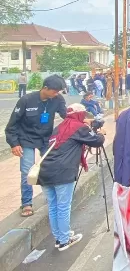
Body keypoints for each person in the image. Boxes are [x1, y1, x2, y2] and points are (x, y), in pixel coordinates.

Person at [38, 103, 105, 251]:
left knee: (53, 206)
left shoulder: (59, 127)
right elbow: (97, 141)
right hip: (62, 172)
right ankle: (64, 240)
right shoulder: (78, 127)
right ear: (80, 115)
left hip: (45, 171)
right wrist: (100, 133)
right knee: (63, 207)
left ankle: (60, 237)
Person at [5, 75, 67, 217]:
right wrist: (14, 144)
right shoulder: (26, 100)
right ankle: (26, 203)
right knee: (28, 171)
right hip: (26, 139)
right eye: (55, 91)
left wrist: (83, 120)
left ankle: (51, 197)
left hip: (46, 138)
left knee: (50, 166)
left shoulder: (57, 100)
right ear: (45, 88)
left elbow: (66, 116)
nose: (56, 94)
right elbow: (12, 125)